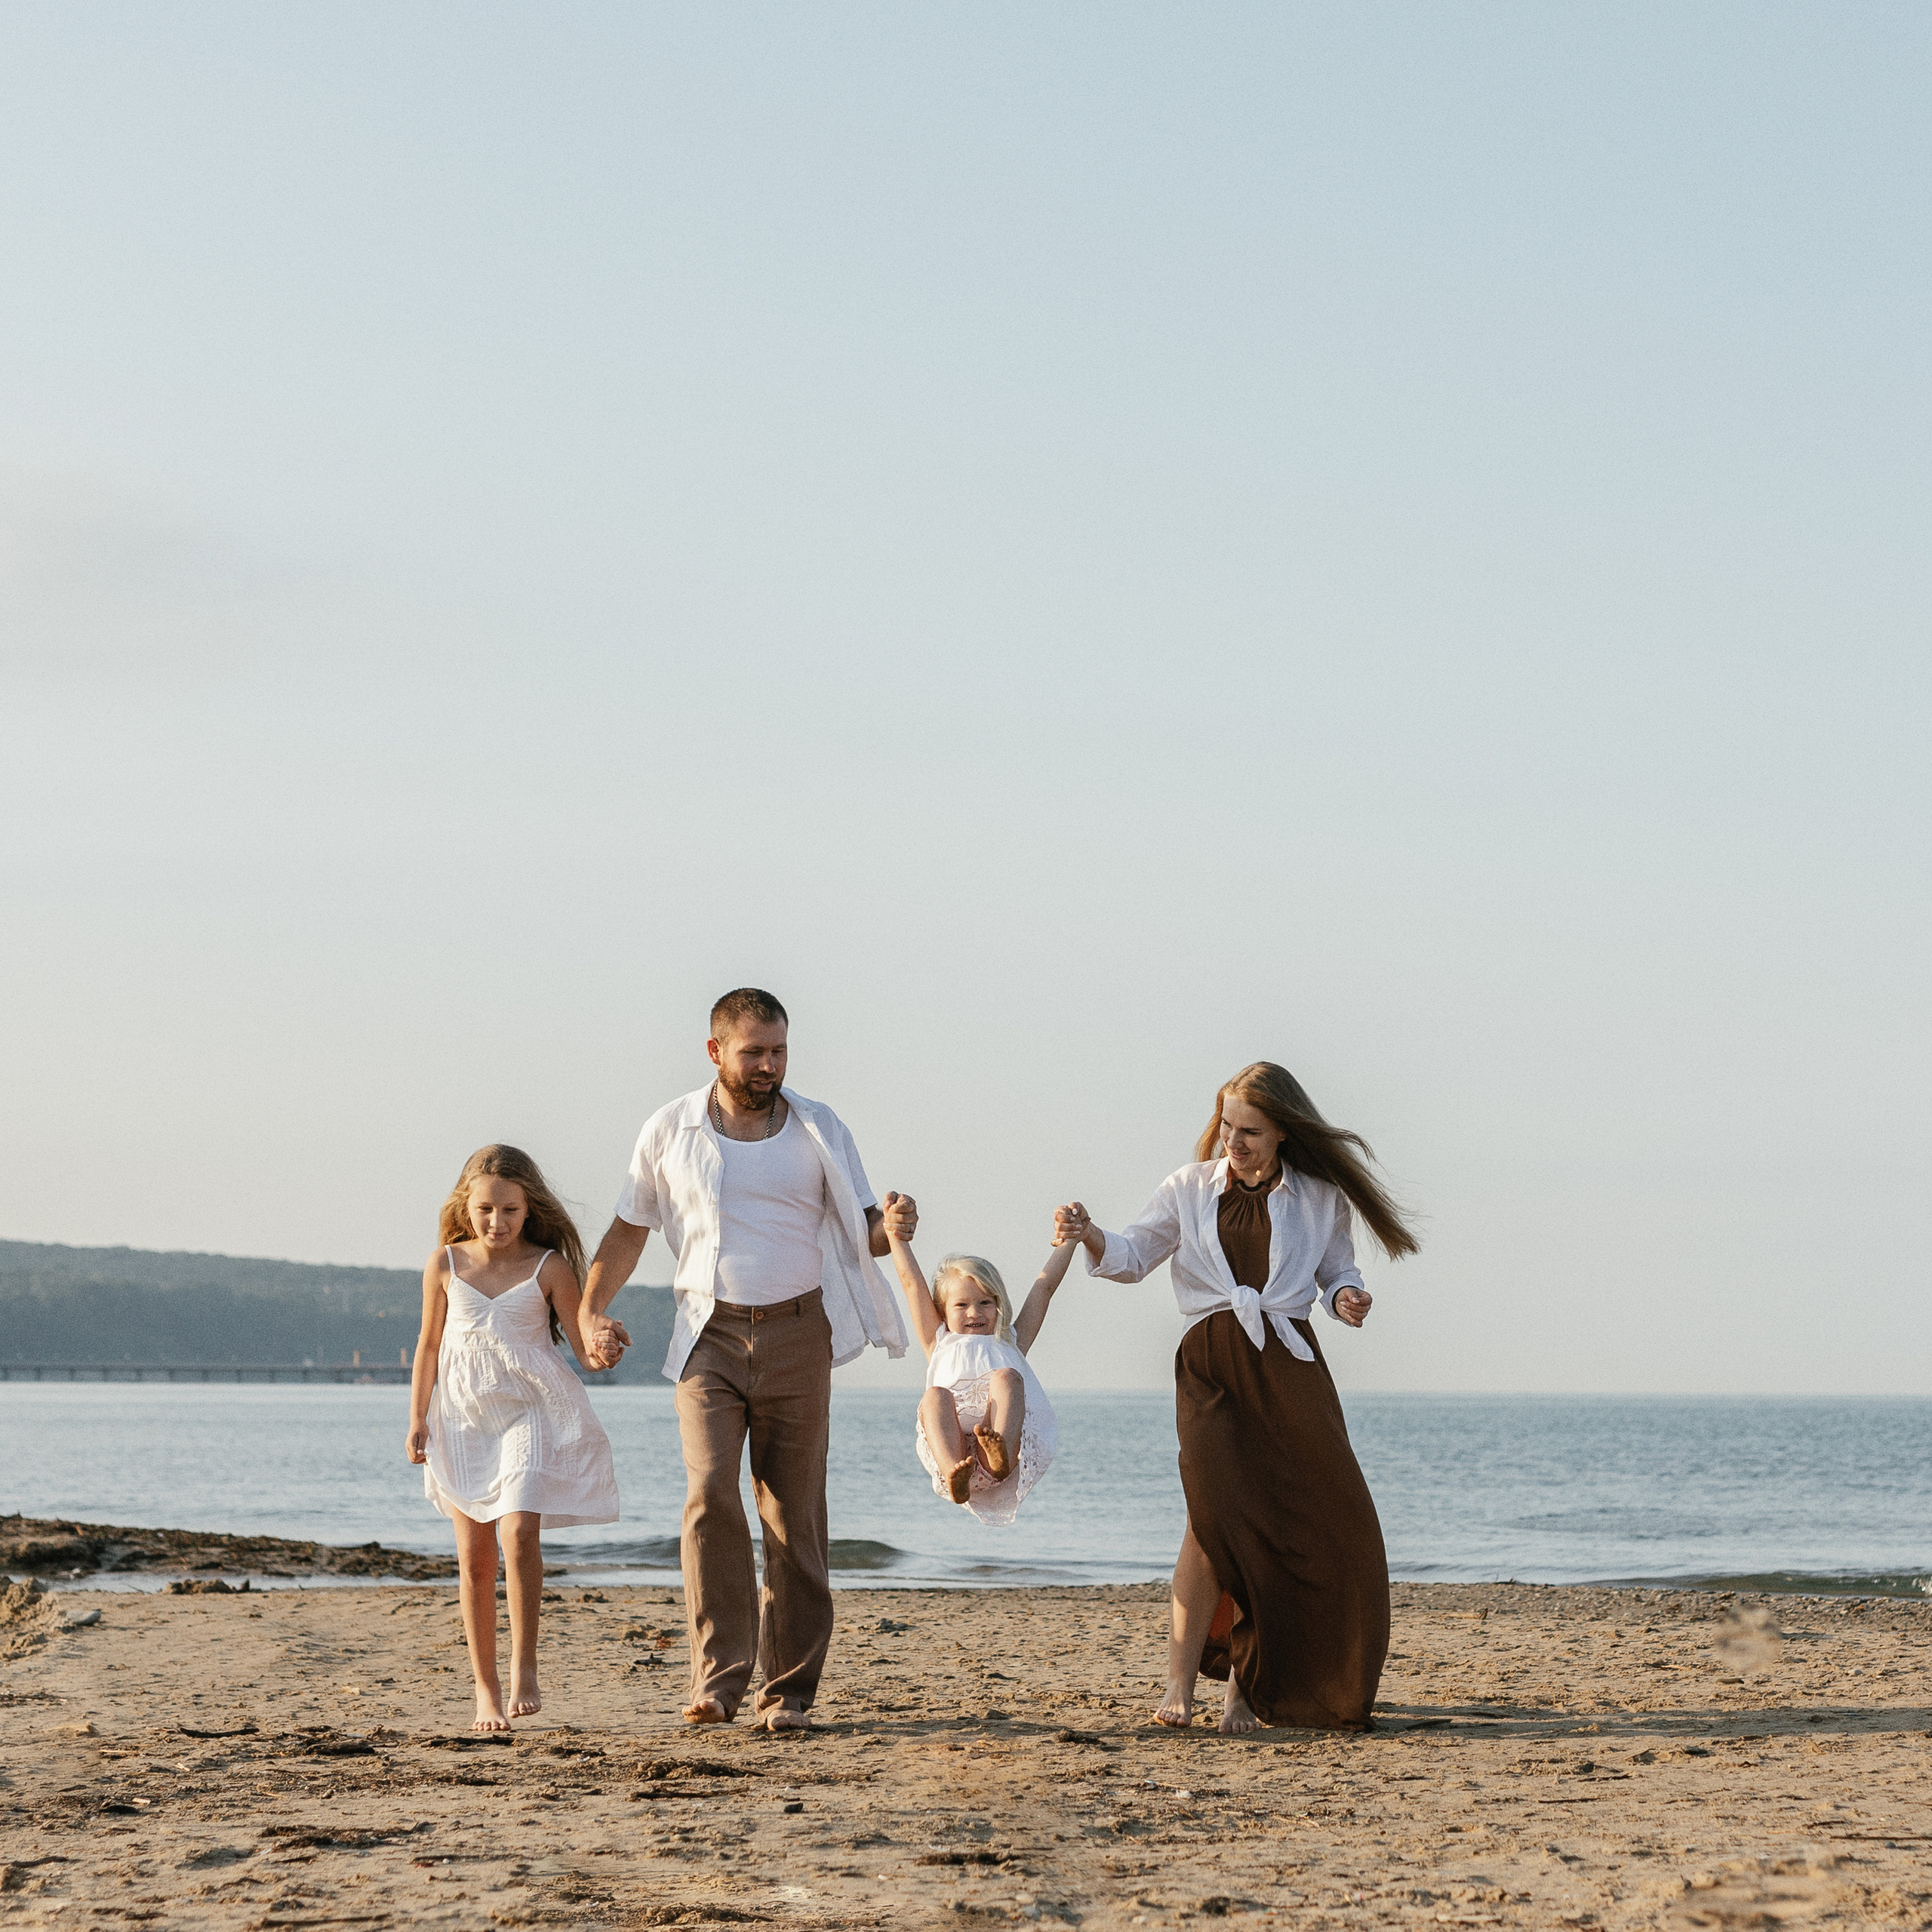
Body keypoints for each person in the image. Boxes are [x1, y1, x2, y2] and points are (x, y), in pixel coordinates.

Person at [577, 988, 915, 1732]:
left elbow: (867, 1232)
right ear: (715, 1051)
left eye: (779, 1051)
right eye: (754, 1051)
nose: (768, 1065)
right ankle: (718, 1681)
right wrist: (590, 1307)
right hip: (709, 1335)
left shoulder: (819, 1126)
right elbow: (629, 1230)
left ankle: (787, 1691)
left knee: (794, 1515)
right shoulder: (670, 1128)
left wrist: (893, 1227)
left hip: (801, 1331)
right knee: (709, 1493)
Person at [1057, 1061, 1417, 1734]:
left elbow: (1337, 1269)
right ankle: (1180, 1686)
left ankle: (1248, 1691)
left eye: (1250, 1130)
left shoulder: (1318, 1197)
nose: (1234, 1140)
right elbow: (1133, 1255)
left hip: (1288, 1367)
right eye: (1227, 1125)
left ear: (1283, 1131)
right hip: (1213, 1369)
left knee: (1328, 1525)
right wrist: (1090, 1232)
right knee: (1214, 1519)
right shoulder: (1188, 1189)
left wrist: (1346, 1297)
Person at [406, 1144, 619, 1732]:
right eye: (485, 1211)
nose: (496, 1223)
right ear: (465, 1207)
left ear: (529, 1210)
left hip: (530, 1411)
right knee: (475, 1560)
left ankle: (525, 1666)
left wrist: (604, 1346)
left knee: (520, 1531)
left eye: (509, 1211)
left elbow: (583, 1349)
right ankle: (486, 1690)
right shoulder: (445, 1264)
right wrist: (417, 1418)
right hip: (461, 1418)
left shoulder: (549, 1266)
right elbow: (428, 1344)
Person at [882, 1202, 1069, 1526]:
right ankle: (956, 1481)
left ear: (999, 1305)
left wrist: (1069, 1240)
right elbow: (911, 1284)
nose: (975, 1313)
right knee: (934, 1396)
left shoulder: (1010, 1340)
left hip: (1002, 1458)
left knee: (1008, 1377)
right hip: (957, 1460)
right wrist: (894, 1235)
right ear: (942, 1309)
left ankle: (998, 1459)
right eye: (962, 1305)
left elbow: (1045, 1287)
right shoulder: (938, 1341)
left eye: (986, 1302)